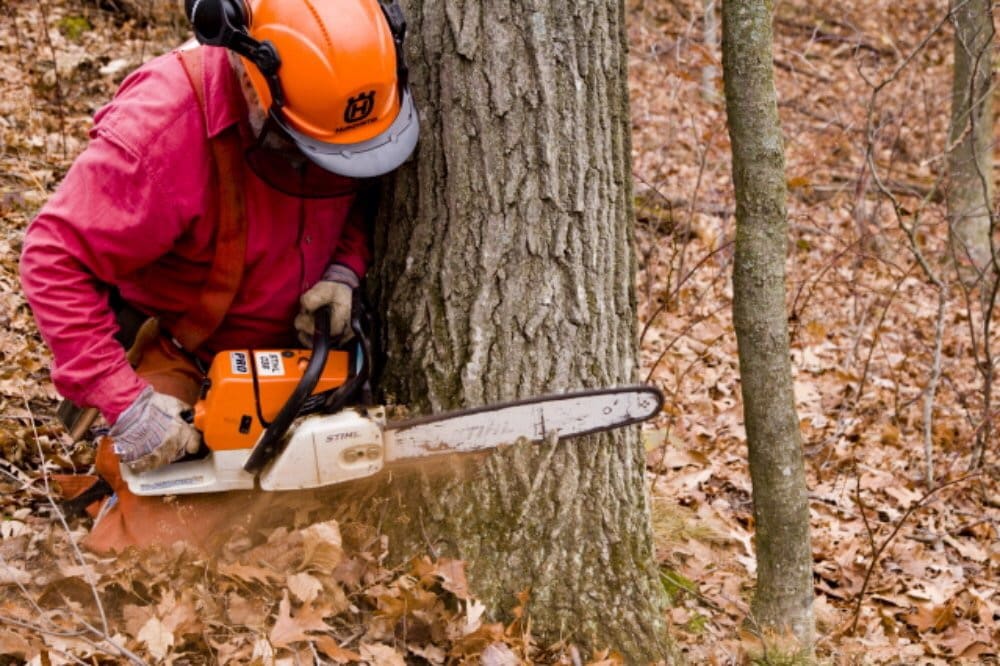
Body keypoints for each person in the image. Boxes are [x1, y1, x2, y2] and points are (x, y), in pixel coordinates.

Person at [18, 0, 418, 552]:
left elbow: (354, 178)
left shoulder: (350, 103)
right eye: (307, 148)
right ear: (255, 88)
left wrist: (342, 269)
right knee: (166, 540)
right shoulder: (161, 130)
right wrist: (126, 403)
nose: (325, 163)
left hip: (298, 359)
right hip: (181, 348)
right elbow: (54, 257)